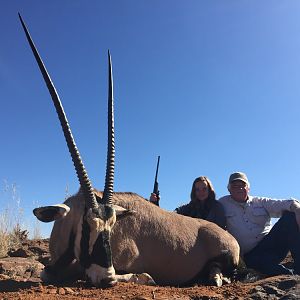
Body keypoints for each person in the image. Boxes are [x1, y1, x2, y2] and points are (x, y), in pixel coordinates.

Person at [219, 171, 300, 276]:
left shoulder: (260, 202)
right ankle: (290, 275)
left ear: (248, 188)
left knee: (290, 216)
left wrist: (297, 210)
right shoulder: (222, 204)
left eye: (242, 185)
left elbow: (286, 203)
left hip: (272, 246)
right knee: (265, 267)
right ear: (229, 189)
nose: (239, 189)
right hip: (250, 255)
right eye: (235, 186)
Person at [150, 176, 226, 230]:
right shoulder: (189, 207)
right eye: (197, 189)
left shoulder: (217, 207)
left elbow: (221, 230)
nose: (201, 192)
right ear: (194, 191)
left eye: (204, 189)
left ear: (209, 190)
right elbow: (170, 216)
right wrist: (155, 203)